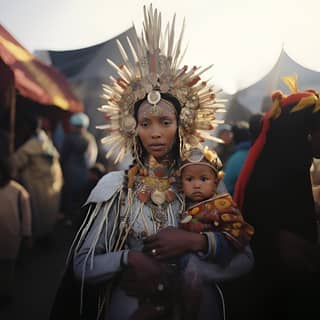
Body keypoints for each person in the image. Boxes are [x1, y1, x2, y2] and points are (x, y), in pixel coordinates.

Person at [50, 5, 254, 320]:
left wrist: (194, 246)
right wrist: (129, 259)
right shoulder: (115, 186)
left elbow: (245, 259)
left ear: (182, 124)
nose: (156, 133)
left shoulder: (203, 182)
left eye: (166, 122)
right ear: (133, 127)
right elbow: (82, 264)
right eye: (146, 123)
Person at [177, 146, 254, 319]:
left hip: (211, 271)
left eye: (203, 179)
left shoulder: (222, 206)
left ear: (216, 183)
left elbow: (240, 243)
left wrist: (204, 239)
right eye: (189, 179)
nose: (196, 185)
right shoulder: (181, 205)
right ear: (180, 183)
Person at [13, 115, 63, 243]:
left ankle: (34, 240)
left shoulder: (29, 146)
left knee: (34, 214)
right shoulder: (48, 143)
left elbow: (14, 165)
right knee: (47, 213)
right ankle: (46, 235)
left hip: (35, 187)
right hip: (52, 186)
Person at [0, 130, 32, 307]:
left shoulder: (19, 192)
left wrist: (26, 235)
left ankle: (6, 294)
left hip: (11, 240)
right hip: (12, 239)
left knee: (7, 270)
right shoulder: (18, 191)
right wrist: (26, 235)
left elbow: (26, 217)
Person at [60, 112, 98, 225]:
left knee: (70, 196)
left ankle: (69, 218)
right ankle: (79, 220)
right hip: (83, 172)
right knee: (81, 197)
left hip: (69, 172)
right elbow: (92, 157)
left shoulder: (68, 138)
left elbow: (63, 157)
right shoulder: (89, 138)